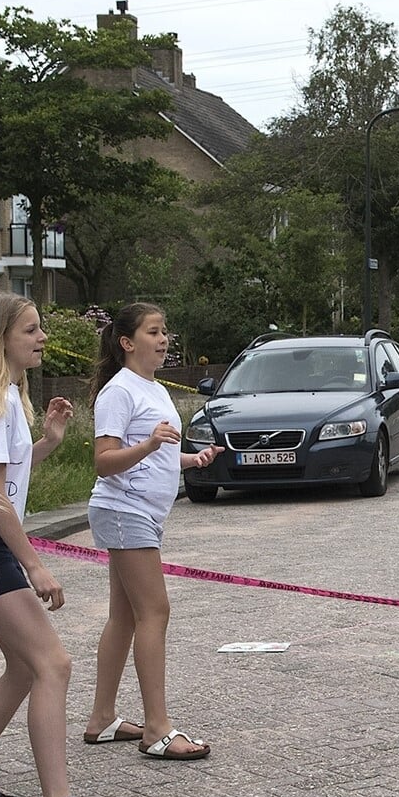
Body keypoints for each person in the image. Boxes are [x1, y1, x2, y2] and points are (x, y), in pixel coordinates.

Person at [0, 294, 132, 797]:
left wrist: (47, 442)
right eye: (30, 329)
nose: (42, 336)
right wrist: (35, 564)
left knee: (26, 668)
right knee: (53, 664)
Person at [85, 303, 223, 759]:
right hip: (124, 510)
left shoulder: (154, 389)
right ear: (127, 342)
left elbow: (157, 453)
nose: (164, 340)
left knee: (125, 616)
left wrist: (189, 459)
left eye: (165, 332)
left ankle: (102, 719)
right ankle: (157, 729)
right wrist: (148, 444)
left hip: (140, 512)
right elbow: (105, 462)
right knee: (155, 612)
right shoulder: (118, 392)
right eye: (153, 332)